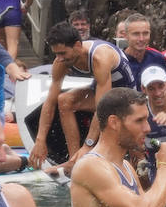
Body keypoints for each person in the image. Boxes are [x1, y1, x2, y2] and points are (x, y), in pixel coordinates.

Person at [28, 22, 137, 169]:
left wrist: (88, 145)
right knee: (64, 101)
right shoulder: (60, 62)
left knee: (104, 116)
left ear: (78, 46)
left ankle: (86, 153)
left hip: (127, 95)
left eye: (63, 53)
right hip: (104, 90)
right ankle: (75, 159)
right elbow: (50, 101)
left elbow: (102, 108)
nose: (59, 58)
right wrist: (40, 140)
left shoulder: (100, 58)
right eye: (56, 54)